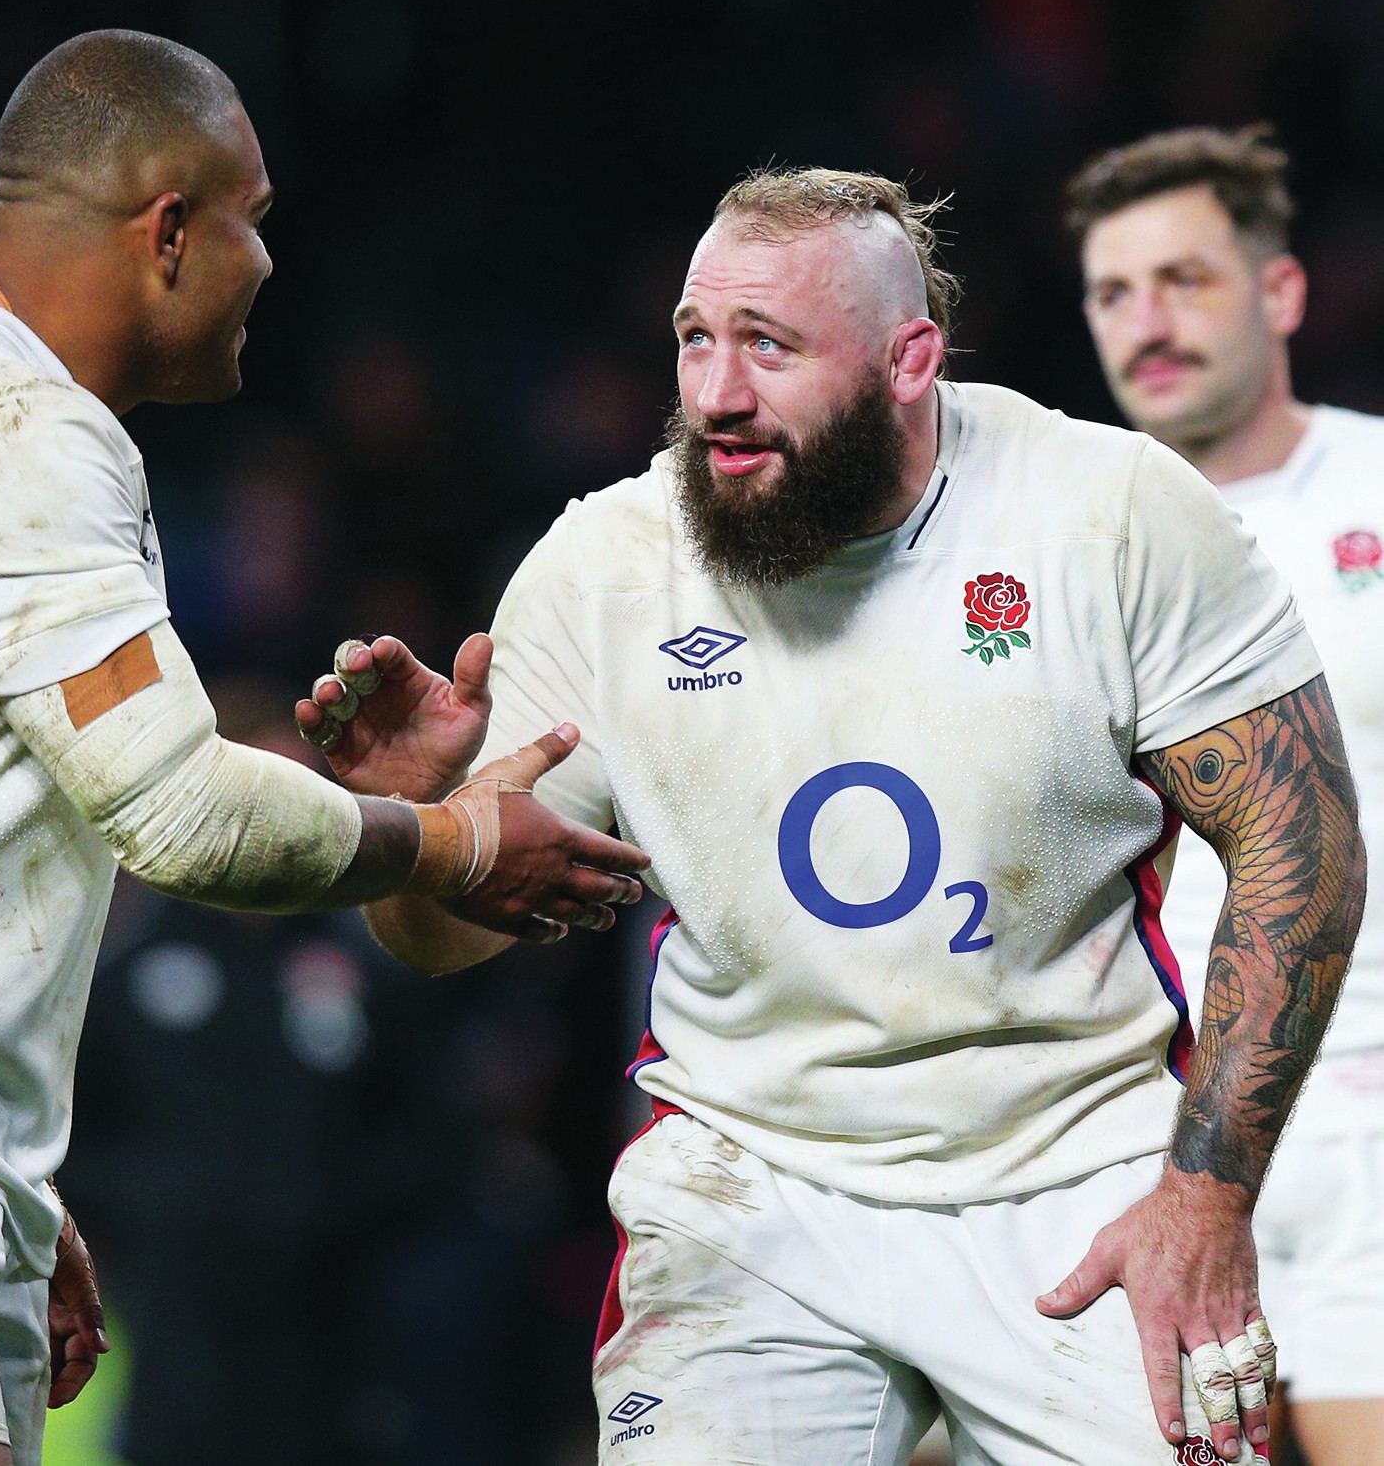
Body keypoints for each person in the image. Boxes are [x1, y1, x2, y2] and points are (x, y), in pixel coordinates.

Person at [296, 165, 1367, 1465]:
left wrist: (1206, 1195)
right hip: (755, 1184)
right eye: (696, 337)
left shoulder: (1109, 514)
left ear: (910, 360)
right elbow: (444, 939)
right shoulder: (605, 569)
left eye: (769, 345)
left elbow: (1304, 847)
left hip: (1077, 1168)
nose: (716, 393)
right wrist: (417, 832)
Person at [0, 29, 649, 1466]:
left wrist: (9, 1170)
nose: (268, 265)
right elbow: (184, 814)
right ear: (167, 231)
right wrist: (452, 841)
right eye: (252, 222)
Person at [1068, 123, 1384, 1466]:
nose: (1148, 321)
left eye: (1185, 279)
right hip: (1152, 1137)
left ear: (1282, 290)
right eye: (1113, 292)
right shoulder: (1060, 549)